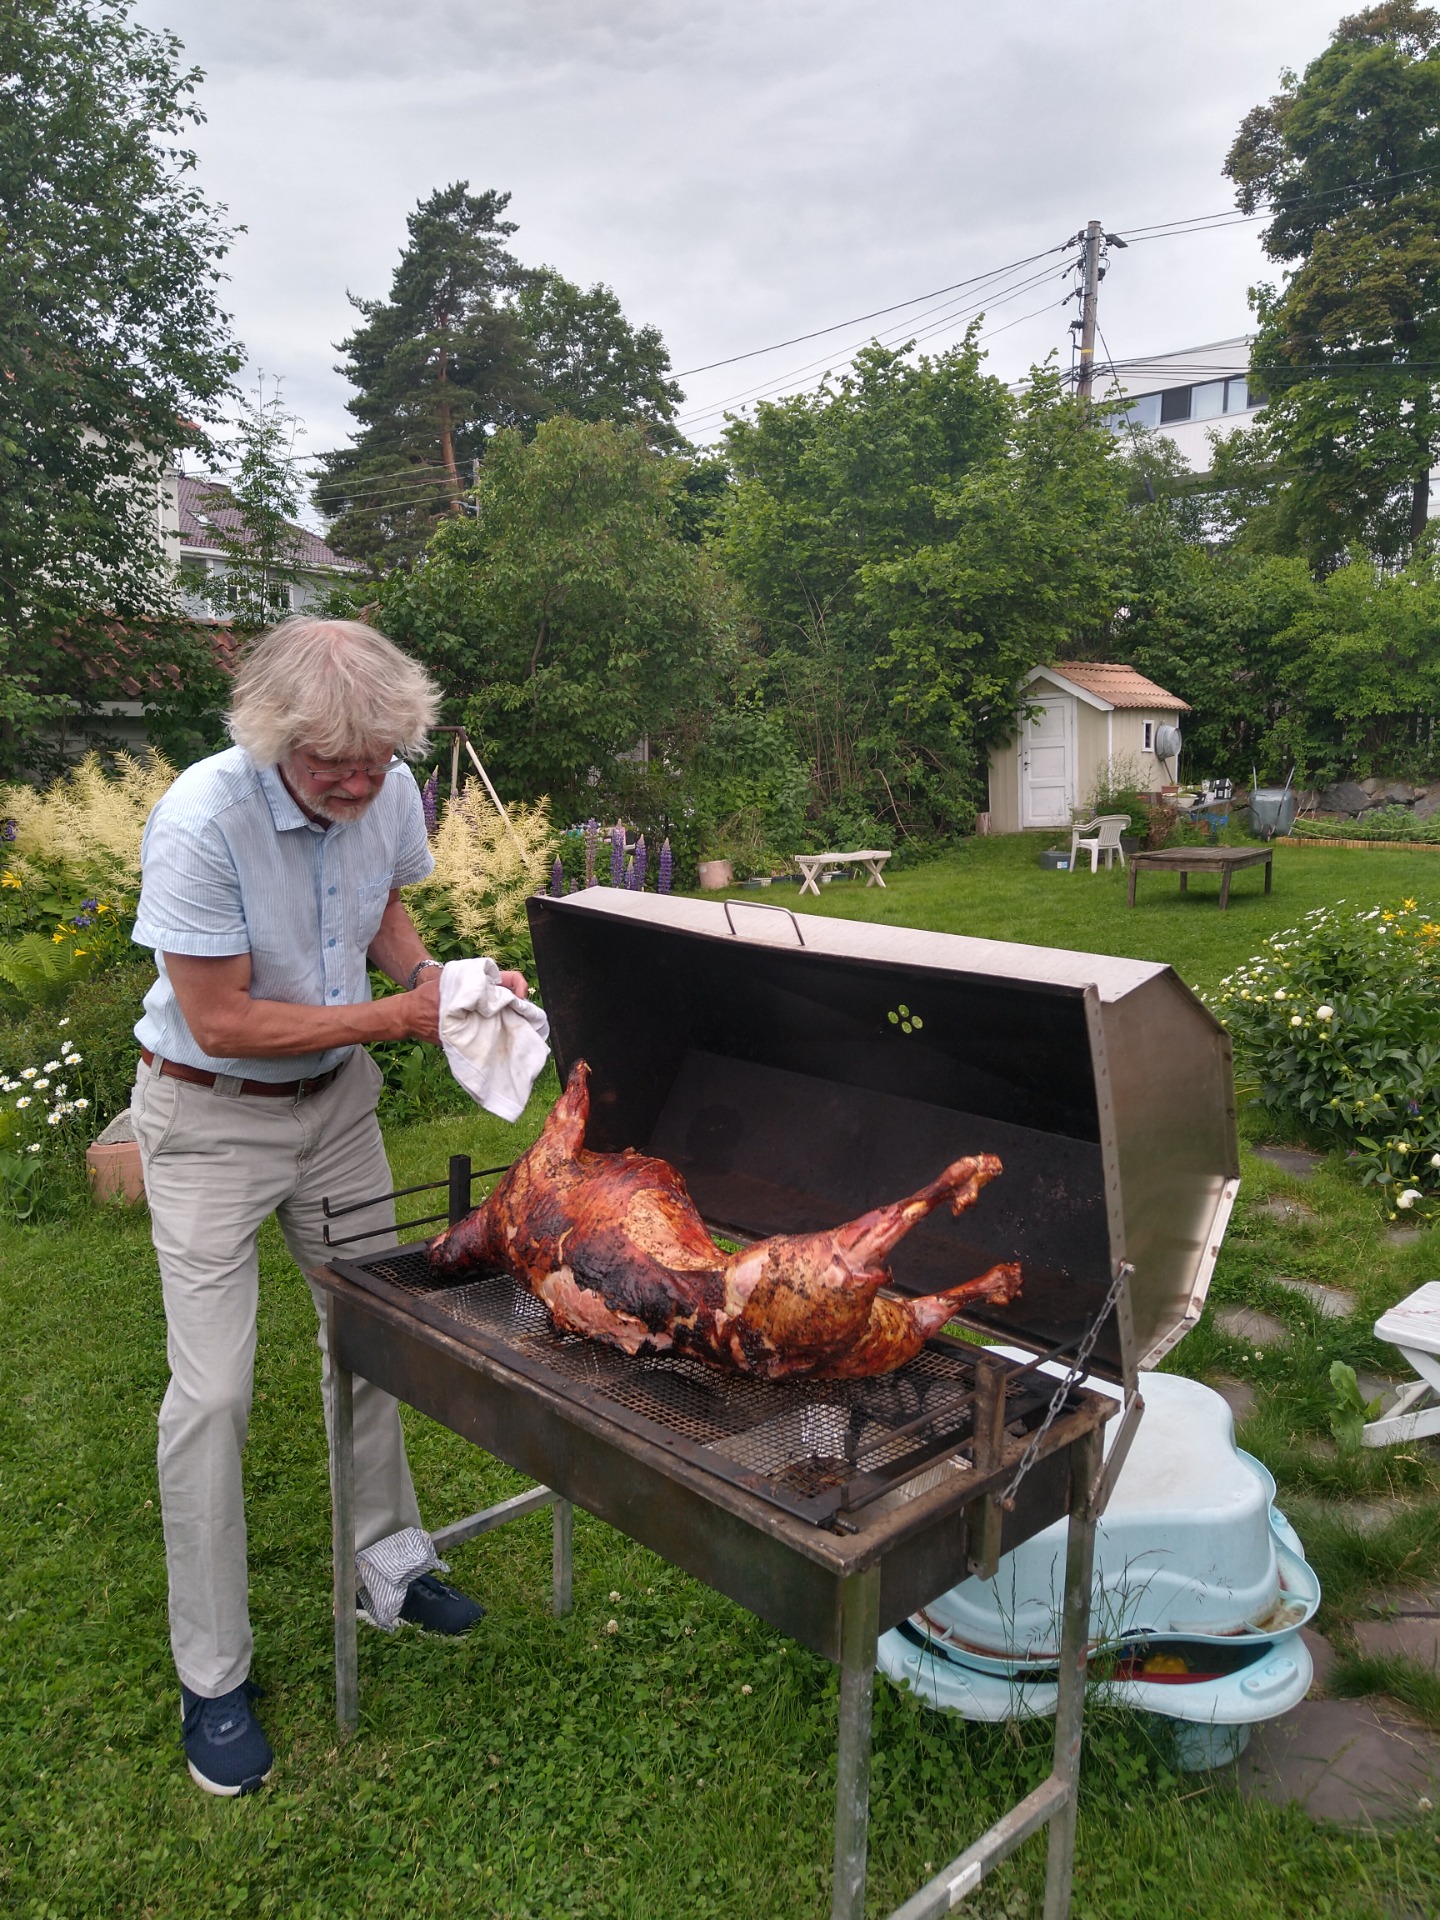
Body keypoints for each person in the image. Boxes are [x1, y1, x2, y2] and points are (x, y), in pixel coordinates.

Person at [129, 617, 526, 1797]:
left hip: (336, 1109)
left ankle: (388, 1568)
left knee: (376, 1338)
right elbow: (221, 1020)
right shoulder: (203, 820)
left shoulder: (386, 786)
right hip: (210, 1118)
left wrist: (437, 983)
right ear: (272, 737)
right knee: (213, 1394)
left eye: (377, 759)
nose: (359, 784)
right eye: (332, 765)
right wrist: (396, 1019)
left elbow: (380, 908)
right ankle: (213, 1676)